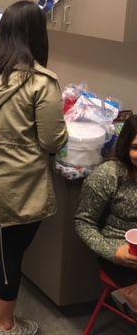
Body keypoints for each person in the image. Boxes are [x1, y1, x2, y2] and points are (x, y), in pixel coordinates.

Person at [0, 0, 67, 335]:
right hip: (16, 181)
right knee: (10, 252)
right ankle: (6, 324)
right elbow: (52, 141)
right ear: (37, 35)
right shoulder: (41, 83)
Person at [75, 115, 137, 287]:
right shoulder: (108, 175)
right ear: (125, 146)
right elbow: (83, 222)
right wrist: (114, 252)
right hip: (122, 252)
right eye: (136, 147)